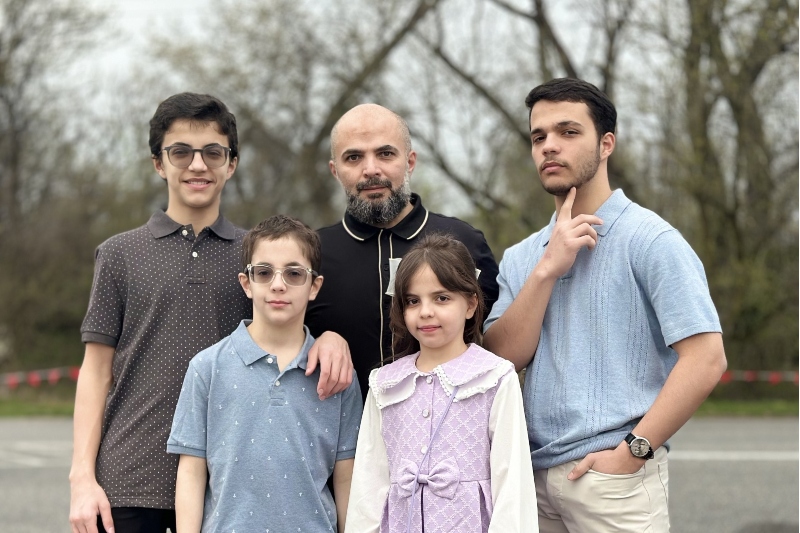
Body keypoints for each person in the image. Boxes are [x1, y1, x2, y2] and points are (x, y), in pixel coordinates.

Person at [69, 93, 352, 533]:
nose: (197, 165)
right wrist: (82, 479)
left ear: (231, 164)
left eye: (212, 153)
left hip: (227, 489)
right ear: (158, 163)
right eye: (180, 151)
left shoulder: (256, 258)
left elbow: (290, 330)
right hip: (127, 484)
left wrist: (333, 338)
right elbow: (95, 372)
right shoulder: (119, 254)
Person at [483, 77, 727, 532]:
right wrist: (546, 269)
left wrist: (633, 451)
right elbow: (502, 357)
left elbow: (707, 358)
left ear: (606, 143)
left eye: (568, 132)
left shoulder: (651, 241)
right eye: (539, 137)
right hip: (531, 483)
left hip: (614, 482)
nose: (550, 146)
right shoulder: (521, 258)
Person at [168, 215, 362, 533]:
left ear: (315, 286)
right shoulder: (207, 368)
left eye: (294, 273)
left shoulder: (337, 375)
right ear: (247, 283)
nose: (278, 284)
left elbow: (346, 475)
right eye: (264, 272)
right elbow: (191, 470)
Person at [306, 103, 500, 400]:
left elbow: (496, 345)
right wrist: (317, 340)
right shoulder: (311, 255)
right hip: (341, 440)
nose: (371, 169)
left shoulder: (465, 243)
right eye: (354, 157)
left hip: (451, 433)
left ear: (410, 162)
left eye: (385, 154)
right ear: (335, 171)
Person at [346, 233, 537, 533]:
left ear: (471, 304)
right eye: (413, 301)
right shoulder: (384, 384)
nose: (425, 311)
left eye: (442, 298)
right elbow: (368, 482)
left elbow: (513, 482)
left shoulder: (495, 378)